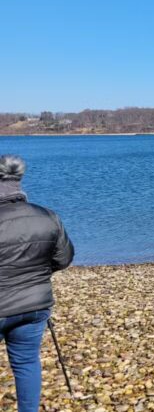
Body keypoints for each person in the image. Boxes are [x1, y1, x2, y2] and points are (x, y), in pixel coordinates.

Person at [0, 155, 74, 412]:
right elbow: (63, 259)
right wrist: (36, 273)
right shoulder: (47, 216)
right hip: (34, 304)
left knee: (27, 362)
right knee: (26, 363)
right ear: (18, 181)